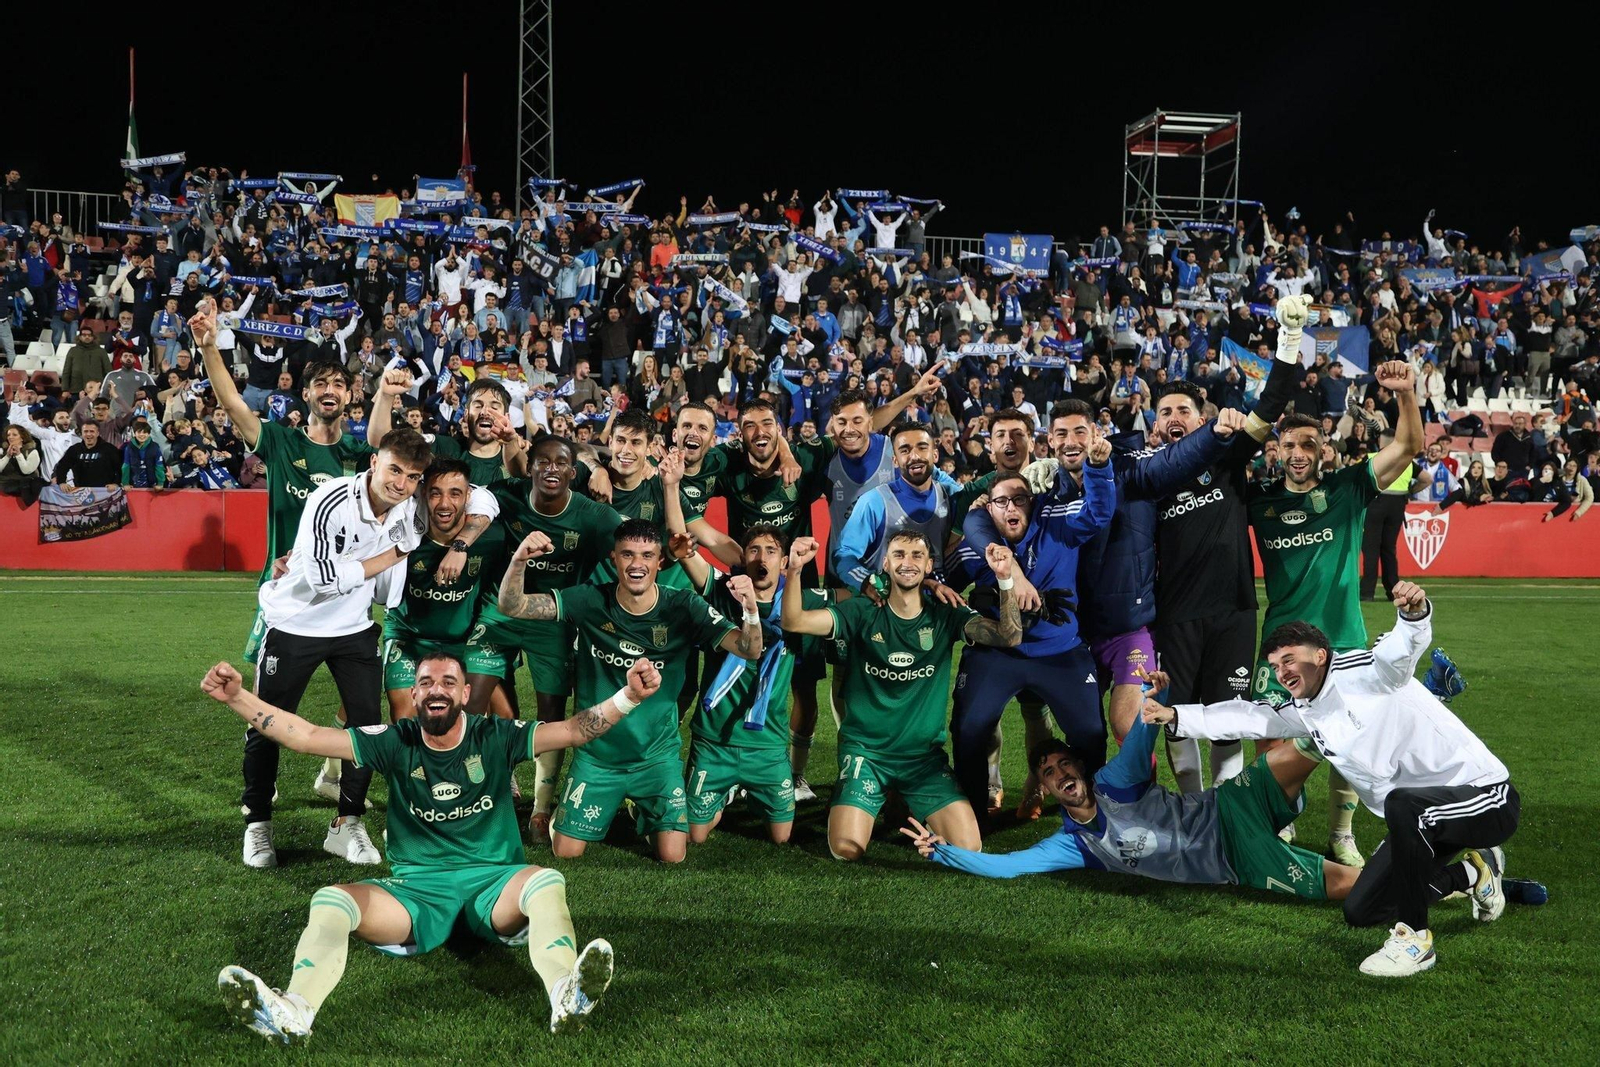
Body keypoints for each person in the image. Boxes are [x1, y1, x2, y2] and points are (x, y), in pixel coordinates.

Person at [205, 652, 653, 1043]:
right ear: (414, 697)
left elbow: (576, 730)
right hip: (416, 890)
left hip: (496, 882)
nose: (436, 689)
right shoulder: (394, 740)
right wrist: (237, 697)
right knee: (331, 900)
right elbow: (305, 737)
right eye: (424, 683)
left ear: (464, 694)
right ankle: (295, 1011)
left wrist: (629, 696)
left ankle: (565, 994)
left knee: (546, 880)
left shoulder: (495, 734)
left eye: (448, 682)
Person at [1144, 581, 1518, 977]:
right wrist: (1177, 716)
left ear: (1321, 655)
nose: (1281, 672)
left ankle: (1415, 940)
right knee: (1362, 909)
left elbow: (1398, 652)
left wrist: (1413, 614)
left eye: (1289, 659)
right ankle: (1474, 872)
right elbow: (1250, 717)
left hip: (1485, 796)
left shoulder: (1363, 671)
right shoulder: (1306, 708)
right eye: (1274, 666)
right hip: (1423, 821)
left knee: (1402, 804)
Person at [906, 670, 1363, 909]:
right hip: (1233, 857)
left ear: (1081, 770)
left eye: (1065, 762)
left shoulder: (1112, 784)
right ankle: (1422, 871)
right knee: (1348, 885)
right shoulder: (1074, 845)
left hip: (1229, 804)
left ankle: (1369, 706)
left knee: (1303, 744)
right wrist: (943, 851)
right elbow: (1006, 867)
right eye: (1048, 770)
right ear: (1045, 788)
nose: (1059, 770)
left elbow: (1137, 744)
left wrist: (1151, 703)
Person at [494, 519, 760, 864]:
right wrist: (518, 561)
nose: (637, 565)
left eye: (647, 555)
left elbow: (749, 650)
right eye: (628, 555)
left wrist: (750, 609)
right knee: (566, 851)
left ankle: (643, 809)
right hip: (598, 756)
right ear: (614, 559)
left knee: (673, 856)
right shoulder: (590, 600)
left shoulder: (683, 606)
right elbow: (512, 606)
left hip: (656, 757)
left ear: (660, 561)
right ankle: (589, 810)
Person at [1246, 358, 1422, 866]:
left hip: (1342, 641)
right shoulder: (1258, 500)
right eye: (1289, 446)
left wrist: (1406, 393)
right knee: (1269, 735)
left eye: (1309, 445)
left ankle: (1342, 833)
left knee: (1349, 741)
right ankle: (1279, 820)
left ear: (1324, 448)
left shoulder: (1349, 488)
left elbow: (1408, 446)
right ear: (1275, 450)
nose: (1299, 455)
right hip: (1279, 640)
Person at [243, 428, 436, 869]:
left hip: (354, 627)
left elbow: (480, 498)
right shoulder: (330, 499)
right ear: (374, 463)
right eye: (394, 470)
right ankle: (258, 822)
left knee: (367, 730)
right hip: (296, 622)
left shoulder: (408, 507)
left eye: (411, 477)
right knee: (267, 722)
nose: (400, 483)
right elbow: (322, 579)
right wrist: (393, 555)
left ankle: (346, 824)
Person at [780, 531, 1022, 862]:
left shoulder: (946, 614)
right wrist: (794, 570)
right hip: (867, 754)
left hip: (921, 759)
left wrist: (1005, 579)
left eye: (916, 556)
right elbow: (794, 621)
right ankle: (861, 795)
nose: (907, 562)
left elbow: (1009, 637)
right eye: (899, 555)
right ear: (885, 563)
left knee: (969, 849)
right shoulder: (862, 611)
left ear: (929, 565)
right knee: (845, 850)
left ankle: (900, 801)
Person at [1145, 296, 1303, 795]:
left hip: (1234, 610)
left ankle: (1226, 815)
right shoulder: (1145, 475)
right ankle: (1194, 808)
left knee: (1229, 721)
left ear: (1200, 419)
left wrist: (1290, 341)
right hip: (1174, 615)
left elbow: (1272, 404)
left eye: (1183, 410)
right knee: (1179, 717)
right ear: (1155, 423)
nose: (1174, 416)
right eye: (1165, 410)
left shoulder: (1229, 456)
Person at [466, 435, 622, 843]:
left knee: (551, 715)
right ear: (528, 467)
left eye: (561, 463)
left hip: (552, 620)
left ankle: (539, 810)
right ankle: (478, 793)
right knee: (469, 703)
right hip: (498, 610)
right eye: (542, 462)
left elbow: (634, 545)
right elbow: (459, 501)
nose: (551, 468)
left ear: (574, 472)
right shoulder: (506, 495)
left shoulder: (592, 515)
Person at [947, 452, 1116, 817]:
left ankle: (1091, 812)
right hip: (996, 655)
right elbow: (941, 584)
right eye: (1001, 501)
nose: (1011, 507)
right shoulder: (976, 549)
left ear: (1032, 502)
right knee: (968, 730)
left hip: (1060, 652)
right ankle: (972, 814)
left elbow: (1098, 513)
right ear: (988, 509)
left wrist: (1098, 469)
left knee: (1089, 734)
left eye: (1019, 499)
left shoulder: (1058, 526)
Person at [379, 460, 502, 720]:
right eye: (436, 493)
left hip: (462, 640)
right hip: (408, 636)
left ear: (469, 496)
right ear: (424, 494)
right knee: (405, 714)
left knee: (480, 716)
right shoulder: (405, 534)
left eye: (455, 493)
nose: (445, 504)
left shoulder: (491, 538)